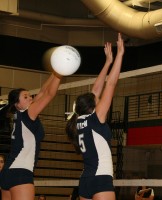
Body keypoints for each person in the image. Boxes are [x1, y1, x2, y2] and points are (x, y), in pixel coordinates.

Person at [66, 33, 124, 200]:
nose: (99, 99)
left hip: (85, 180)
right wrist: (120, 55)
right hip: (101, 179)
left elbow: (95, 90)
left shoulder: (79, 121)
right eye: (97, 100)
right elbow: (111, 84)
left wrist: (107, 62)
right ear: (92, 107)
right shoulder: (96, 118)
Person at [0, 72, 62, 200]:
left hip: (7, 172)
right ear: (17, 104)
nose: (30, 98)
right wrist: (60, 74)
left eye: (29, 95)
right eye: (25, 97)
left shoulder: (21, 115)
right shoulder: (29, 113)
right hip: (20, 172)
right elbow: (49, 94)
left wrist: (54, 72)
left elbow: (43, 90)